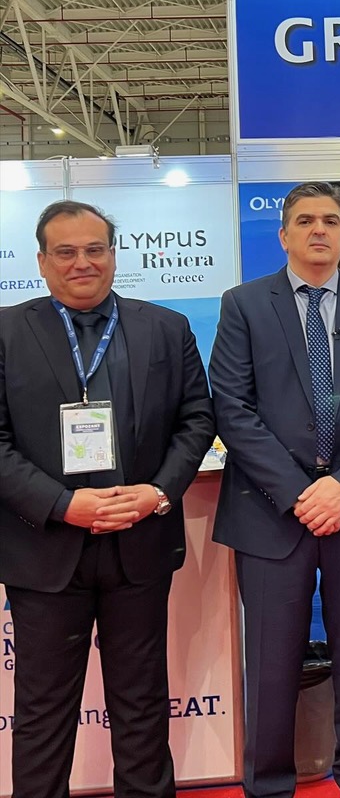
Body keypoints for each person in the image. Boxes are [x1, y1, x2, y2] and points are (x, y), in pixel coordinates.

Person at [0, 199, 215, 798]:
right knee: (42, 713)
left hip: (138, 545)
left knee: (142, 704)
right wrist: (61, 504)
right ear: (42, 261)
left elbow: (198, 419)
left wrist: (157, 492)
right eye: (66, 252)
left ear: (114, 255)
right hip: (45, 549)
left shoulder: (166, 328)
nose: (82, 263)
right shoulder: (6, 332)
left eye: (95, 249)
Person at [210, 181, 340, 798]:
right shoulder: (244, 304)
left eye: (329, 219)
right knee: (271, 664)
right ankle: (269, 785)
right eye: (304, 220)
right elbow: (232, 408)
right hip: (272, 514)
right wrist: (304, 493)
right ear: (284, 235)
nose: (318, 229)